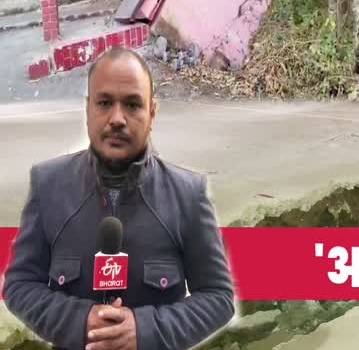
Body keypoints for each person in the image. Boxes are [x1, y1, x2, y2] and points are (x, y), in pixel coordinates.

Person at [3, 46, 235, 349]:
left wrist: (145, 331)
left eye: (132, 105)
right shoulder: (48, 186)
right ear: (88, 110)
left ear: (152, 113)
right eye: (104, 103)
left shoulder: (188, 196)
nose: (117, 118)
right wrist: (81, 320)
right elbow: (20, 285)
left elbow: (218, 297)